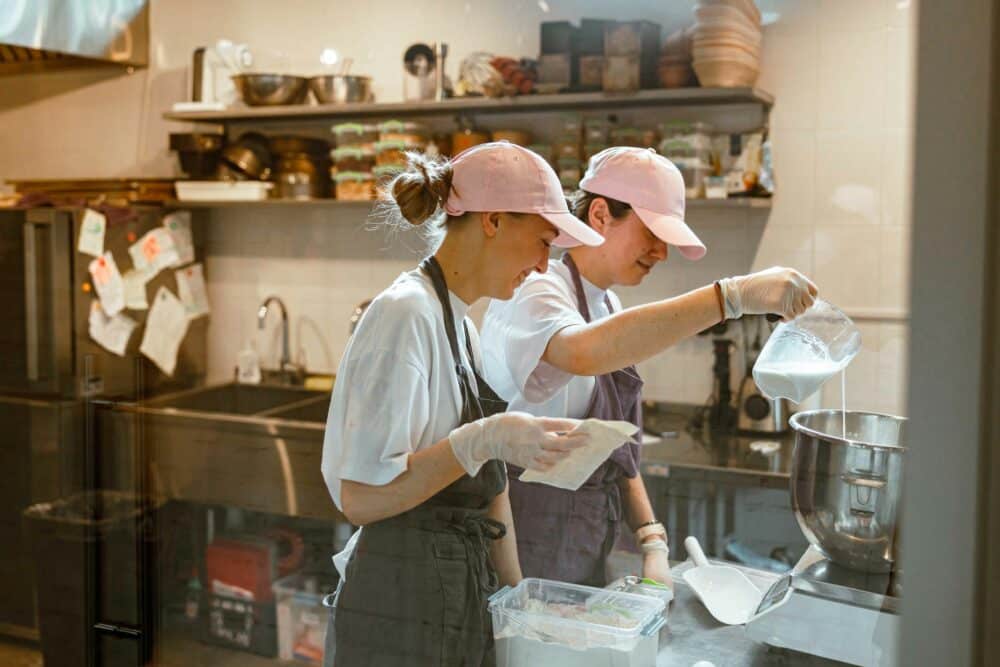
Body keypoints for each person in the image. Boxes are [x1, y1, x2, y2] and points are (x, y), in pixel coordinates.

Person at [480, 146, 818, 588]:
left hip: (582, 535)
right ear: (600, 215)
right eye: (652, 234)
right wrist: (731, 297)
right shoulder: (537, 289)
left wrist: (651, 536)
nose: (661, 253)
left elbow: (615, 444)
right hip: (521, 535)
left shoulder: (609, 304)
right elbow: (582, 352)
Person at [320, 141, 605, 666]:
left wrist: (520, 606)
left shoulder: (459, 325)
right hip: (398, 611)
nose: (545, 266)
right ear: (493, 220)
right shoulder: (404, 315)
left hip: (453, 597)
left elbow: (488, 488)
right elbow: (360, 498)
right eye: (543, 242)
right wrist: (482, 438)